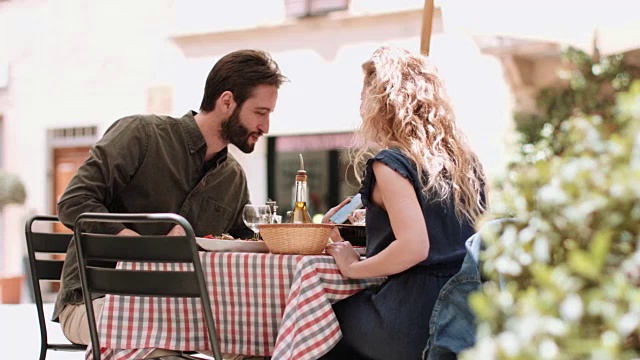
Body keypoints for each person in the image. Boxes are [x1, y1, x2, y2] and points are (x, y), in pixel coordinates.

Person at [52, 49, 287, 356]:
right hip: (94, 302)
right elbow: (74, 202)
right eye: (260, 112)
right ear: (227, 102)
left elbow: (240, 240)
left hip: (179, 310)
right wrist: (142, 246)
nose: (266, 126)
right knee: (162, 346)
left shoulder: (232, 178)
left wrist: (281, 239)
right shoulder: (141, 135)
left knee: (263, 343)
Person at [321, 46, 487, 360]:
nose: (359, 103)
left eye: (363, 94)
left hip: (413, 320)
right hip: (464, 317)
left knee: (317, 321)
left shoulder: (390, 164)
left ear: (380, 103)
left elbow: (414, 247)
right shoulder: (466, 162)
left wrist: (353, 267)